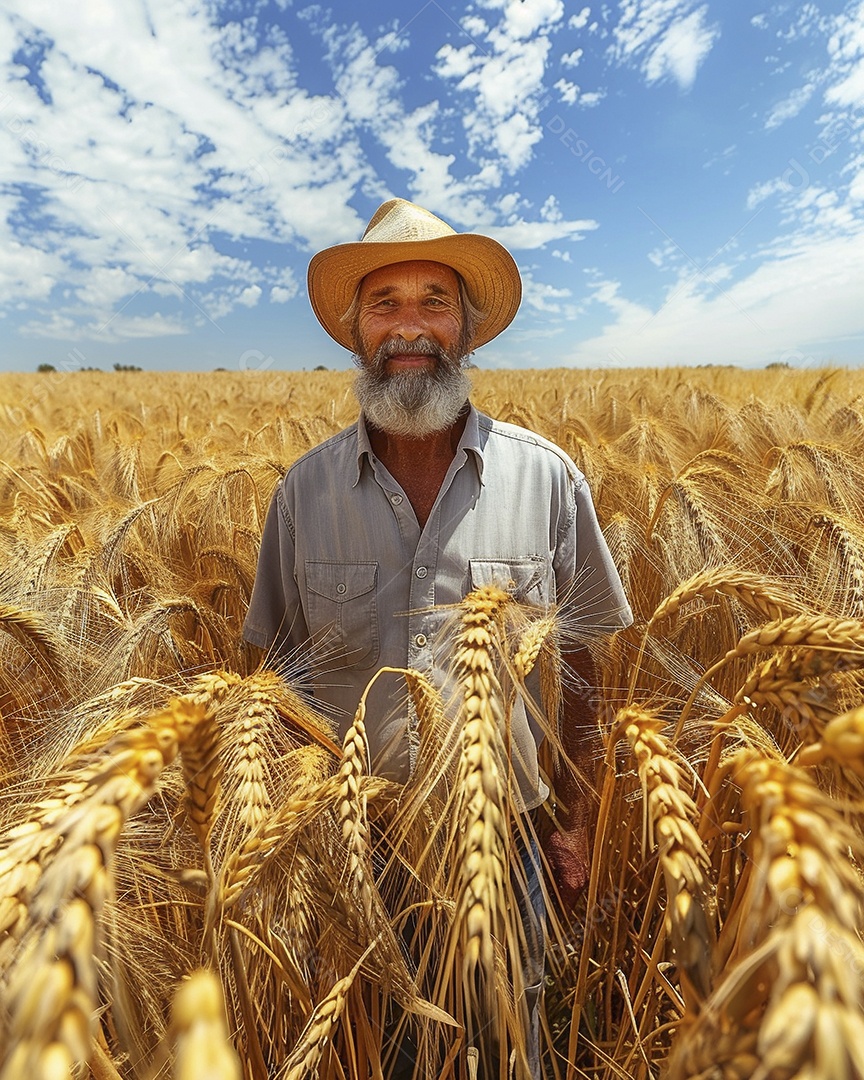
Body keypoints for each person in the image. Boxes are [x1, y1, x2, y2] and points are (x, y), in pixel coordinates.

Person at [243, 198, 633, 1078]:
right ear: (356, 332)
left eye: (434, 302)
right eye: (384, 304)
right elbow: (277, 683)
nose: (409, 327)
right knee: (374, 1049)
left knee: (507, 1048)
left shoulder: (547, 479)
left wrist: (574, 828)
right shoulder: (302, 495)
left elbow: (581, 667)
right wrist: (288, 845)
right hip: (357, 849)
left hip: (507, 839)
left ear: (467, 329)